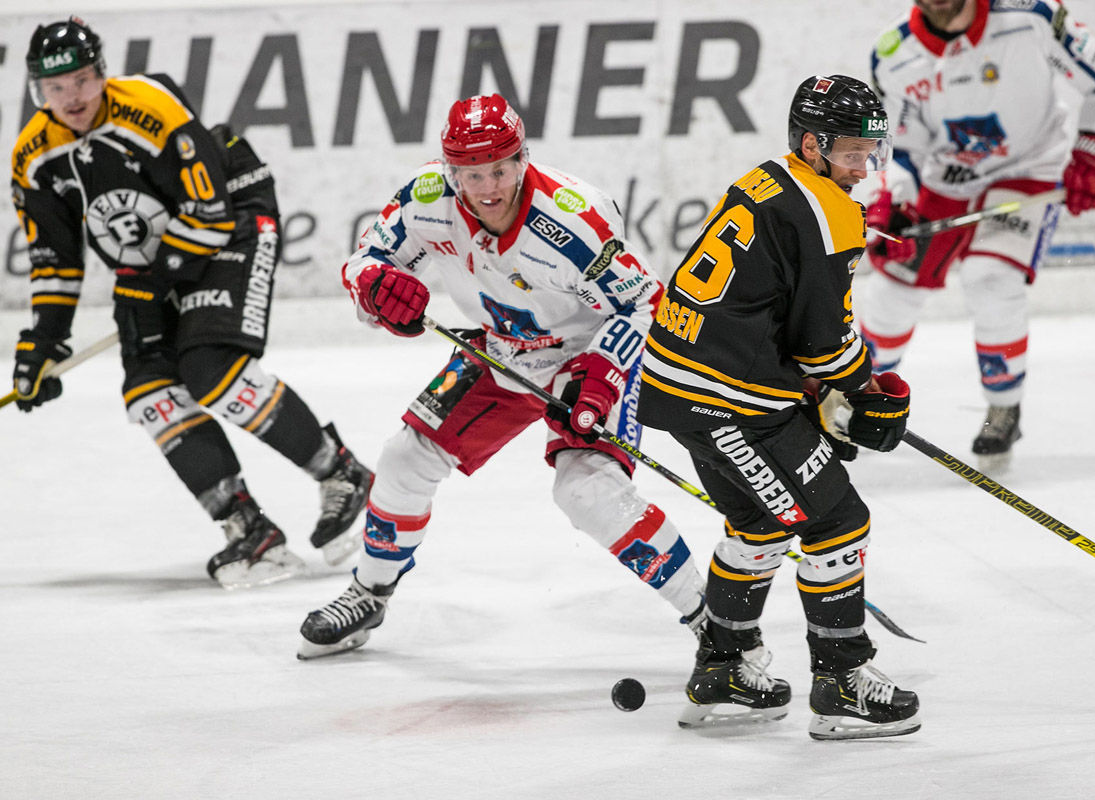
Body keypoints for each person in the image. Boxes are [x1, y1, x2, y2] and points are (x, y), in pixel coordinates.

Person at [296, 94, 707, 659]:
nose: (487, 188)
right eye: (470, 173)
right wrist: (375, 290)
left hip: (588, 350)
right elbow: (366, 260)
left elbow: (645, 303)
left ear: (522, 159)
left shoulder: (573, 218)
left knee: (585, 490)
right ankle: (369, 592)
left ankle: (712, 618)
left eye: (499, 169)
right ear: (450, 171)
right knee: (404, 458)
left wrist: (604, 373)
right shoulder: (425, 199)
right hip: (502, 350)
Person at [10, 17, 372, 588]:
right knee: (149, 393)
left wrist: (153, 281)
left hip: (234, 222)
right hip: (150, 260)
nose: (71, 98)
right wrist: (42, 344)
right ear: (37, 91)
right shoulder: (34, 157)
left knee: (209, 369)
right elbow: (55, 259)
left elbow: (209, 215)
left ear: (100, 74)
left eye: (80, 80)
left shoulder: (149, 109)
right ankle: (250, 531)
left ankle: (342, 473)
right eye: (55, 88)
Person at [637, 74, 921, 739]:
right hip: (727, 397)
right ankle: (843, 682)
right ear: (811, 144)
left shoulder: (767, 179)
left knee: (760, 522)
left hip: (681, 384)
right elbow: (823, 342)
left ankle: (724, 672)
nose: (862, 167)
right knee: (838, 520)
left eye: (869, 152)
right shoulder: (831, 211)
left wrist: (821, 387)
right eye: (850, 151)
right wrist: (862, 389)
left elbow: (769, 310)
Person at [860, 0, 1095, 467]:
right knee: (891, 289)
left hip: (1029, 168)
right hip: (944, 178)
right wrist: (896, 200)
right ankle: (857, 398)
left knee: (991, 278)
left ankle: (1004, 404)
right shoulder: (894, 52)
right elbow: (897, 148)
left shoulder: (1032, 16)